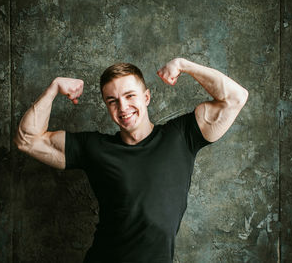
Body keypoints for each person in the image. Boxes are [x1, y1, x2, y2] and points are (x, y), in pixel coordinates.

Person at [14, 57, 248, 262]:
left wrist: (185, 65)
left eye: (129, 95)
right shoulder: (94, 148)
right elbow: (27, 139)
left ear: (146, 97)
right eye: (112, 100)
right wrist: (54, 88)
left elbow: (236, 97)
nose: (123, 107)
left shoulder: (181, 136)